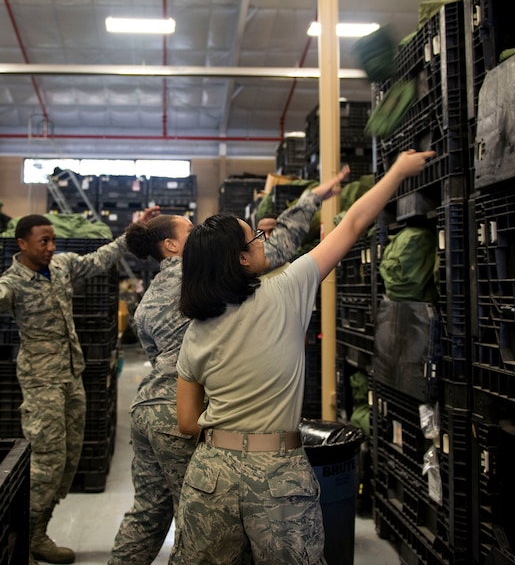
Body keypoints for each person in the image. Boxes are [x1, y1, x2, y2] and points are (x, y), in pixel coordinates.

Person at [173, 149, 434, 564]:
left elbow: (187, 422)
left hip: (210, 475)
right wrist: (399, 171)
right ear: (241, 258)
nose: (265, 243)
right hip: (277, 474)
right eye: (256, 239)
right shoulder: (288, 288)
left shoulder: (196, 329)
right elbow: (353, 223)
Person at [108, 171, 348, 565]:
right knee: (216, 525)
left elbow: (157, 354)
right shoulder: (209, 274)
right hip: (190, 418)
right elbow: (282, 248)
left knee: (149, 513)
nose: (200, 232)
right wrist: (312, 198)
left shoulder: (150, 297)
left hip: (148, 407)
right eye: (191, 230)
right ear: (171, 244)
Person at [0, 208, 158, 565]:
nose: (51, 247)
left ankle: (39, 533)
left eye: (53, 240)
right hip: (41, 381)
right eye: (44, 241)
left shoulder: (61, 267)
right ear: (22, 244)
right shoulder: (14, 282)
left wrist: (135, 229)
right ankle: (20, 540)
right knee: (46, 462)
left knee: (69, 460)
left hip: (71, 377)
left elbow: (101, 258)